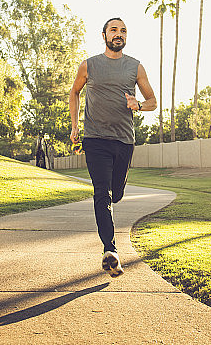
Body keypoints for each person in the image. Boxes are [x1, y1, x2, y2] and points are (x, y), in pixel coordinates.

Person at [69, 17, 156, 277]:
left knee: (115, 194)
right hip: (95, 139)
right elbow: (74, 92)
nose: (118, 34)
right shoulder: (89, 65)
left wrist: (138, 105)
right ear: (104, 35)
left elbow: (152, 101)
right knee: (102, 193)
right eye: (114, 30)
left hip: (124, 141)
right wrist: (75, 126)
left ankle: (111, 236)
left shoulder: (135, 67)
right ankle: (111, 250)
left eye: (123, 31)